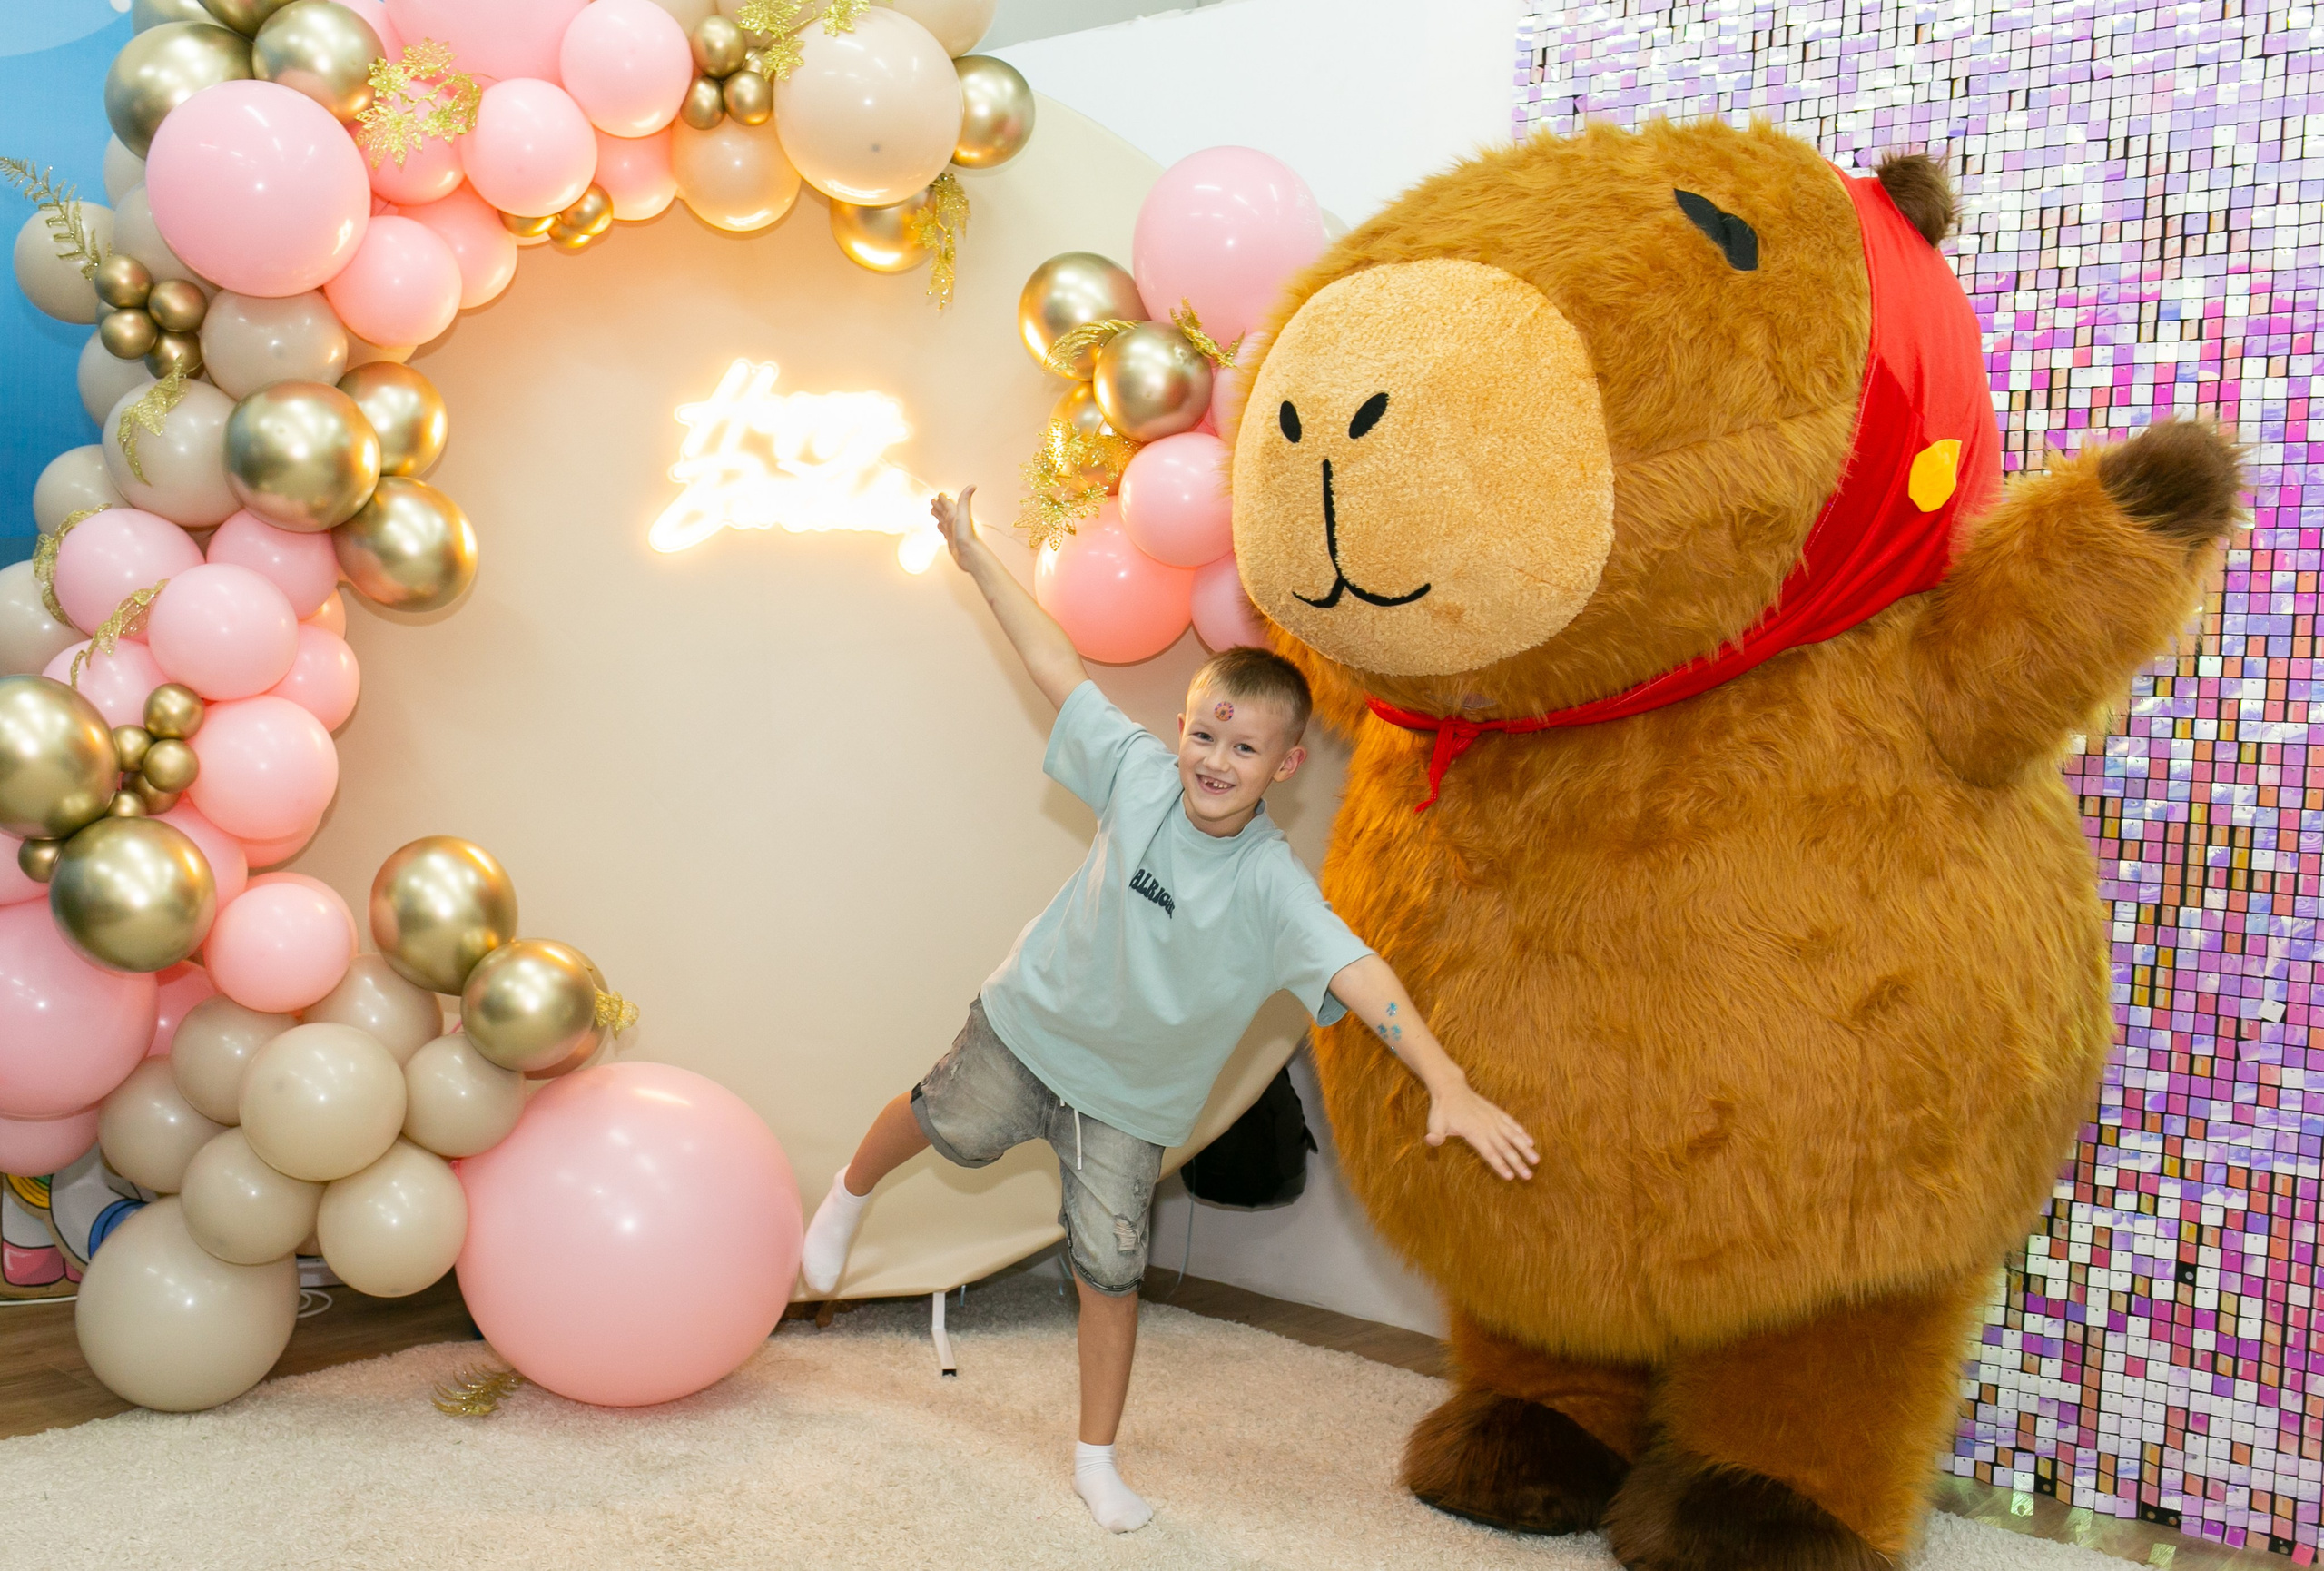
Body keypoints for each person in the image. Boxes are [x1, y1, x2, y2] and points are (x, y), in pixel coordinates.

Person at [800, 486, 1538, 1534]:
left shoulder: (1274, 887)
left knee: (1108, 1273)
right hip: (1029, 1026)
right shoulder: (1138, 776)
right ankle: (846, 1192)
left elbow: (1361, 973)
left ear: (1284, 767)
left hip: (1132, 1104)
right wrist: (971, 552)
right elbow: (1056, 663)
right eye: (1203, 734)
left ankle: (1095, 1458)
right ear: (1181, 726)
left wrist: (1445, 1077)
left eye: (1243, 751)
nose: (1212, 762)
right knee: (940, 1119)